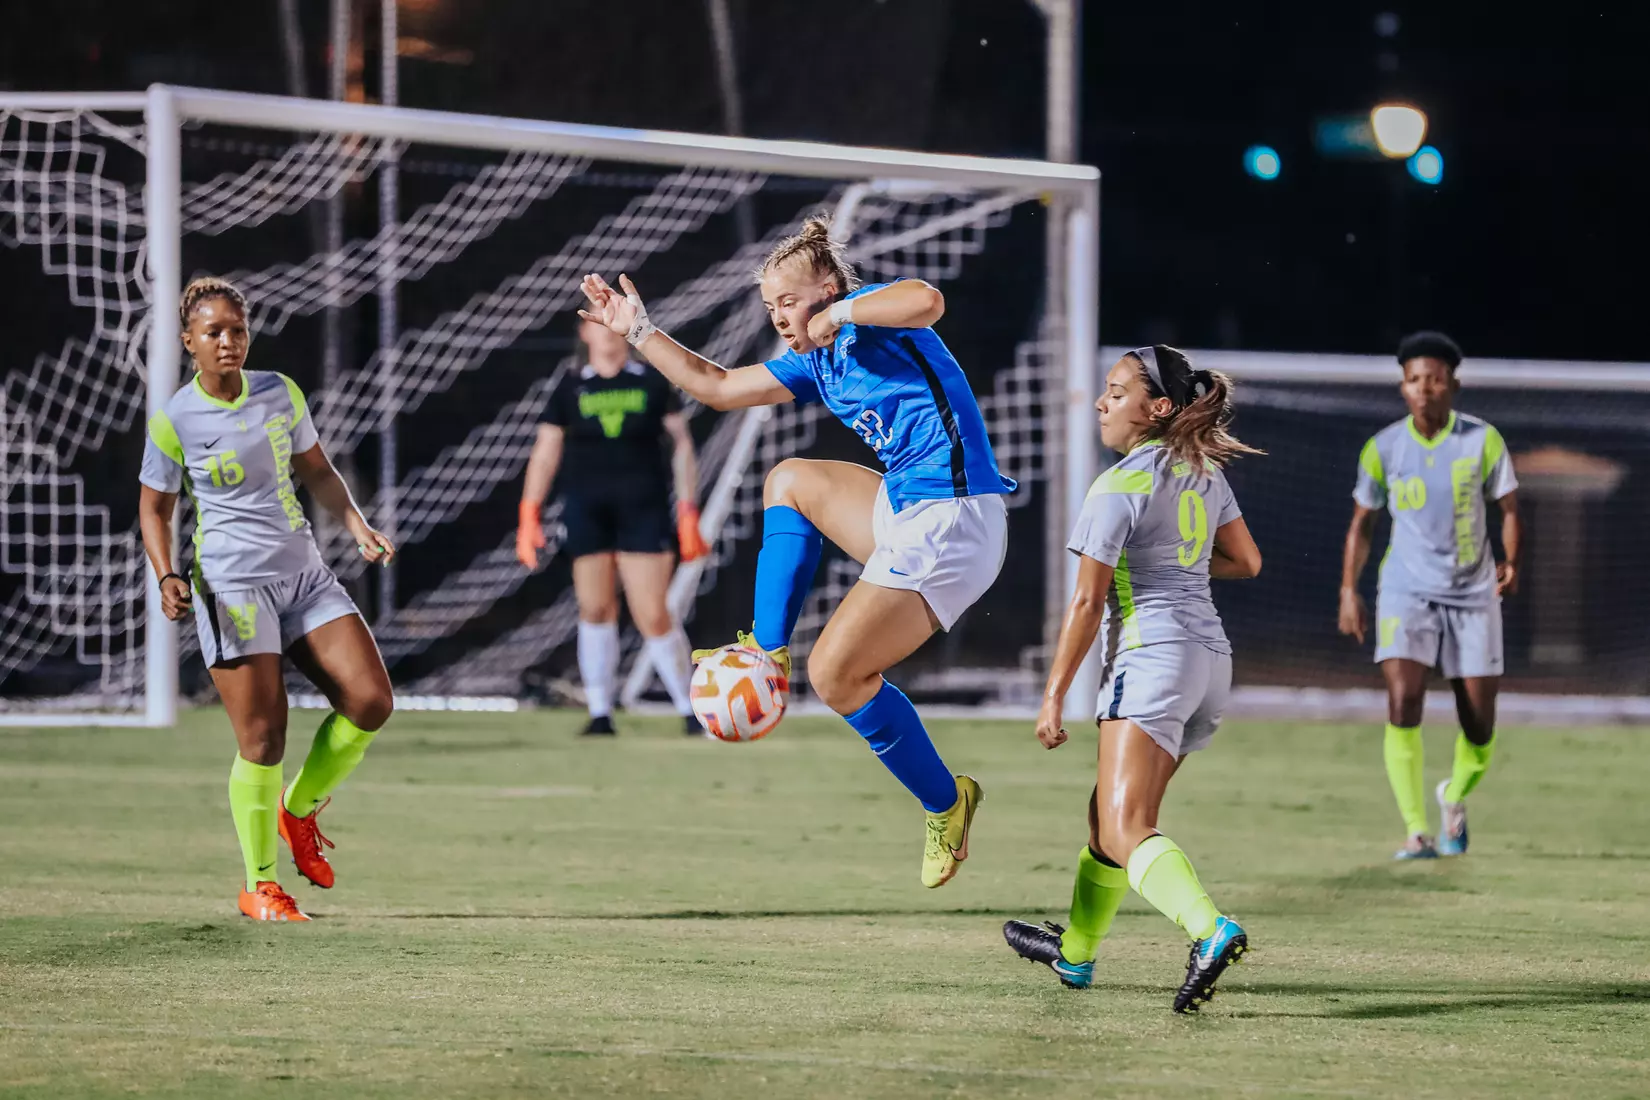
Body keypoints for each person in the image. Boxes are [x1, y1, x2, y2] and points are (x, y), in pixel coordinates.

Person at [576, 214, 1012, 888]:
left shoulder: (873, 321)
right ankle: (767, 654)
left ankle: (946, 804)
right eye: (770, 306)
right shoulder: (820, 363)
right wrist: (637, 330)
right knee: (790, 480)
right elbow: (718, 389)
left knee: (838, 676)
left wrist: (838, 312)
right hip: (907, 510)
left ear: (829, 288)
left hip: (953, 520)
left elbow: (928, 300)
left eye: (790, 301)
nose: (781, 317)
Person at [1001, 346, 1263, 1014]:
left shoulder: (1118, 484)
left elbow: (1087, 604)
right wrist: (1179, 574)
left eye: (1117, 393)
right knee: (1106, 821)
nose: (1101, 402)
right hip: (1210, 663)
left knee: (1126, 827)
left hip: (1153, 658)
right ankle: (1077, 954)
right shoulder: (1202, 471)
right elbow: (1248, 562)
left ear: (1159, 408)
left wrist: (1054, 694)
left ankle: (1210, 930)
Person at [137, 277, 396, 923]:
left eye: (238, 330)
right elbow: (154, 507)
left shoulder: (279, 391)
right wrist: (168, 574)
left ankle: (298, 811)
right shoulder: (175, 417)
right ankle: (259, 886)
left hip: (304, 576)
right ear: (188, 342)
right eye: (214, 332)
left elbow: (316, 469)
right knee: (263, 737)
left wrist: (357, 524)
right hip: (233, 587)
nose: (229, 342)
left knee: (370, 701)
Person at [1337, 331, 1520, 860]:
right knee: (1404, 700)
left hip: (1472, 593)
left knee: (1479, 725)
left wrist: (1511, 562)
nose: (1425, 388)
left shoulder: (1482, 441)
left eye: (1435, 379)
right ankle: (1416, 831)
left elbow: (1510, 510)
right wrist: (1349, 589)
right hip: (1406, 590)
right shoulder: (1383, 448)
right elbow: (1362, 525)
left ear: (1453, 385)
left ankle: (1453, 797)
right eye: (1415, 379)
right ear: (1403, 387)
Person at [517, 317, 709, 737]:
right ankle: (600, 712)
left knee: (653, 612)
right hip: (587, 512)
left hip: (644, 509)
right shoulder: (571, 386)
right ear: (584, 332)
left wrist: (689, 509)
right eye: (595, 322)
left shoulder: (651, 383)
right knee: (595, 608)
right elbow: (546, 451)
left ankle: (692, 710)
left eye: (611, 322)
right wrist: (529, 511)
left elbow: (681, 446)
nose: (606, 330)